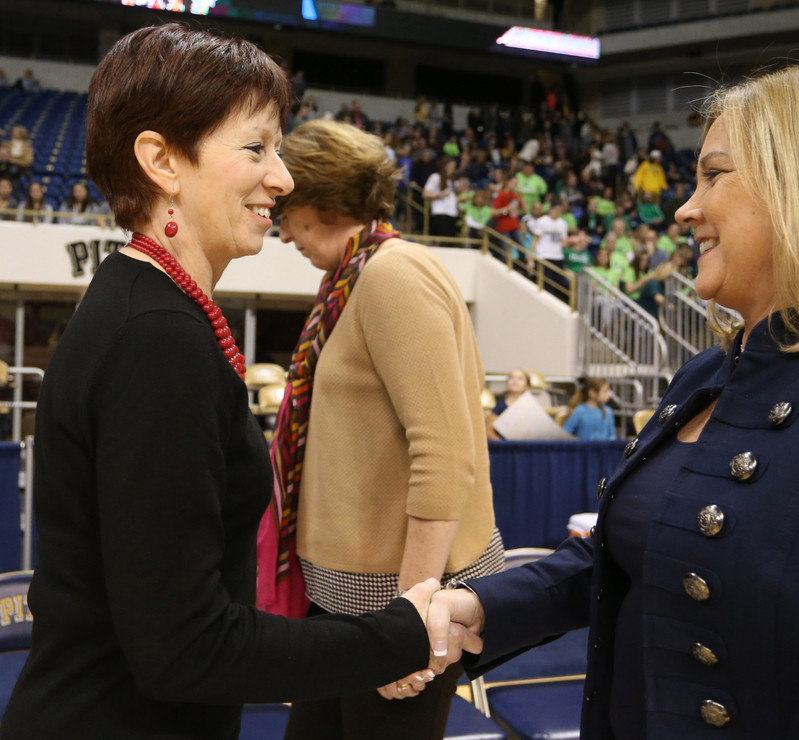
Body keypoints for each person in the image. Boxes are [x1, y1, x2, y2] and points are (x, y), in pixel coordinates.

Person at [426, 60, 799, 739]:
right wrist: (482, 604)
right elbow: (642, 549)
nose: (686, 207)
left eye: (714, 175)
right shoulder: (707, 374)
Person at [0, 25, 457, 740]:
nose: (283, 177)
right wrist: (397, 635)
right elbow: (187, 647)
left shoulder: (144, 305)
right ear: (160, 160)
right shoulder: (156, 337)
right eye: (257, 148)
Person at [268, 119, 504, 740]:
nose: (280, 227)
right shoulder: (352, 278)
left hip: (393, 605)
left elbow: (444, 455)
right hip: (350, 606)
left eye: (285, 209)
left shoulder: (392, 274)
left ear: (320, 202)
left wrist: (410, 619)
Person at [485, 368, 530, 440]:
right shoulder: (500, 405)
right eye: (511, 378)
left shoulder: (531, 407)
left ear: (527, 386)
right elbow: (488, 431)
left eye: (520, 379)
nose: (515, 381)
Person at [423, 155, 459, 237]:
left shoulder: (451, 180)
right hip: (440, 212)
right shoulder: (436, 177)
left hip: (452, 212)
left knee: (452, 241)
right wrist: (440, 195)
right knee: (444, 239)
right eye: (451, 166)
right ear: (445, 166)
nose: (453, 169)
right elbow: (425, 193)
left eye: (454, 167)